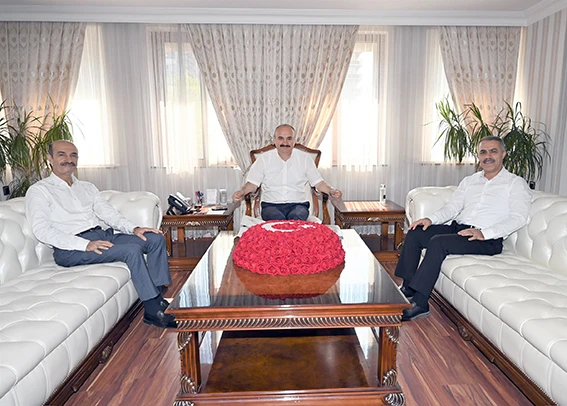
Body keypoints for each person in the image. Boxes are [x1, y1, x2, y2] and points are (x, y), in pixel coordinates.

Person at [25, 140, 175, 329]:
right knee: (131, 250)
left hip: (101, 236)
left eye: (73, 155)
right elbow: (42, 230)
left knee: (154, 239)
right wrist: (84, 244)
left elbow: (108, 213)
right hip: (71, 249)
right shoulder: (39, 191)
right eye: (62, 154)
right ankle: (153, 312)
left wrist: (134, 229)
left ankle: (158, 298)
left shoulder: (86, 187)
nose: (69, 159)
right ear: (49, 158)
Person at [396, 136, 532, 321]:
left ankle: (420, 303)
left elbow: (518, 218)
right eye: (483, 152)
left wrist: (484, 233)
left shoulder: (515, 183)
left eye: (493, 151)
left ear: (503, 154)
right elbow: (452, 207)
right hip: (459, 229)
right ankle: (408, 288)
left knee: (438, 242)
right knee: (416, 232)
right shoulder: (470, 181)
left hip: (486, 238)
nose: (488, 156)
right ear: (478, 156)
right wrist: (430, 219)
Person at [232, 124, 342, 220]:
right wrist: (242, 191)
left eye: (289, 138)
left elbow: (318, 183)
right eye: (281, 138)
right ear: (274, 140)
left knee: (296, 218)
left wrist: (331, 190)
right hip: (271, 206)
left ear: (294, 140)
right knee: (277, 220)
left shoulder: (305, 159)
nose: (285, 142)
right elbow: (252, 184)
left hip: (298, 206)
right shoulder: (263, 159)